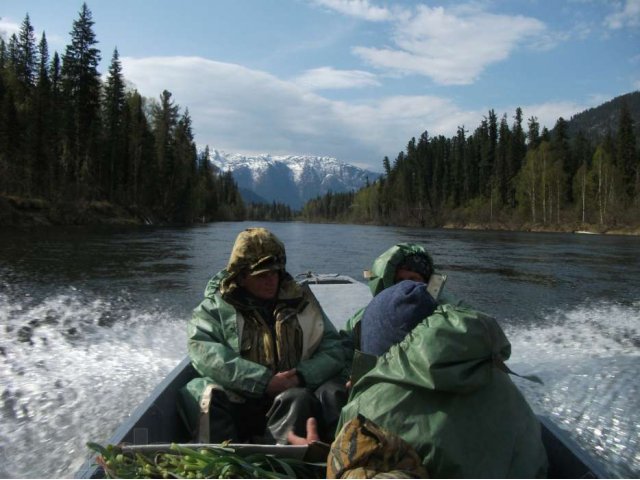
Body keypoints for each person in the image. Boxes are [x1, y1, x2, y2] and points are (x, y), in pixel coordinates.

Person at [292, 243, 548, 478]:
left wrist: (334, 458)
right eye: (398, 280)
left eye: (413, 280)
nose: (404, 288)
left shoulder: (374, 411)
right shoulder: (477, 353)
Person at [179, 227, 348, 445]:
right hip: (240, 402)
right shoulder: (214, 309)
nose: (271, 280)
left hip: (292, 399)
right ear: (240, 276)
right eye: (261, 275)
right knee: (206, 395)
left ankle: (281, 459)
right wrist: (263, 382)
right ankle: (223, 459)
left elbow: (333, 349)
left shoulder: (303, 303)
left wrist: (302, 376)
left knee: (305, 397)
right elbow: (206, 354)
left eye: (275, 272)